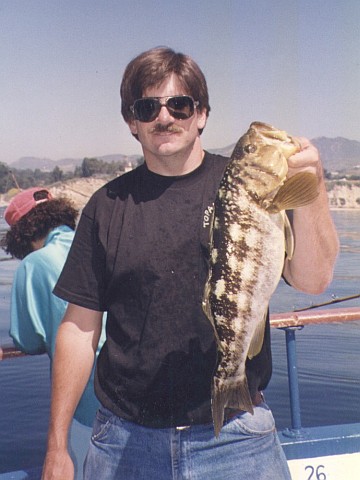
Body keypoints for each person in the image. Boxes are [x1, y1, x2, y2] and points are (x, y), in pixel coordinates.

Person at [41, 47, 339, 480]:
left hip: (239, 436)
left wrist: (313, 185)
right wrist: (56, 446)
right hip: (125, 438)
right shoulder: (106, 206)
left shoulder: (245, 185)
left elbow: (313, 280)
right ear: (132, 122)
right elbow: (78, 328)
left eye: (180, 104)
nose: (165, 117)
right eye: (148, 107)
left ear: (200, 115)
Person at [3, 187, 105, 480]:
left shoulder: (35, 264)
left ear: (20, 235)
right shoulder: (98, 243)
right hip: (130, 395)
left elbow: (28, 339)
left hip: (86, 401)